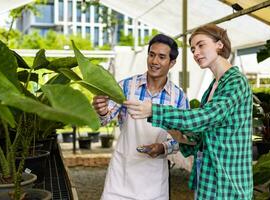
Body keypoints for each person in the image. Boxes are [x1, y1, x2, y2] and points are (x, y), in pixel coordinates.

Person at [124, 24, 253, 200]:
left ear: (219, 45)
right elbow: (203, 135)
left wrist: (154, 110)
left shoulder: (235, 82)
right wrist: (179, 135)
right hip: (209, 176)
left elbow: (207, 117)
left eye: (201, 45)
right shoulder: (213, 87)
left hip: (228, 181)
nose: (196, 53)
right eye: (193, 49)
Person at [92, 34, 189, 200]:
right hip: (122, 175)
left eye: (161, 57)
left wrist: (163, 148)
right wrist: (101, 111)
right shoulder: (126, 86)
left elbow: (182, 138)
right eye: (151, 55)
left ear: (171, 63)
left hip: (154, 180)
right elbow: (106, 118)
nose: (154, 61)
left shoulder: (178, 97)